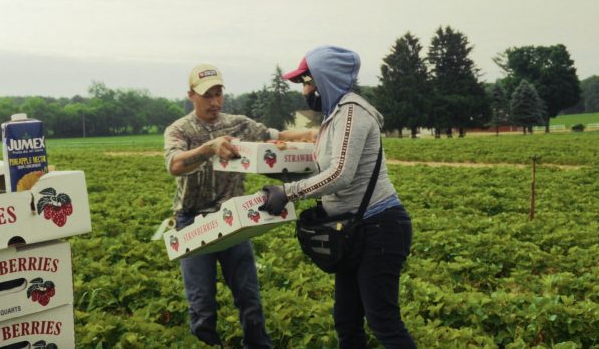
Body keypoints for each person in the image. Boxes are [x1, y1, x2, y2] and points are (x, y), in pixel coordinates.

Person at [260, 46, 417, 348]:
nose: (304, 90)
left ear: (324, 78)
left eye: (307, 81)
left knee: (383, 321)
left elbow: (340, 174)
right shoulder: (334, 116)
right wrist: (278, 172)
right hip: (354, 230)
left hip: (378, 228)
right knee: (346, 320)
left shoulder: (352, 113)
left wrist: (289, 193)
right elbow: (321, 165)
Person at [164, 63, 313, 348]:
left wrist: (308, 136)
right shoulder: (180, 130)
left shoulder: (237, 125)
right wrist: (208, 148)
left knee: (248, 296)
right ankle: (207, 342)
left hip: (233, 216)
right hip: (192, 221)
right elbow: (174, 165)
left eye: (219, 93)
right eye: (207, 95)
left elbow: (275, 136)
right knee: (201, 304)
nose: (215, 101)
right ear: (191, 95)